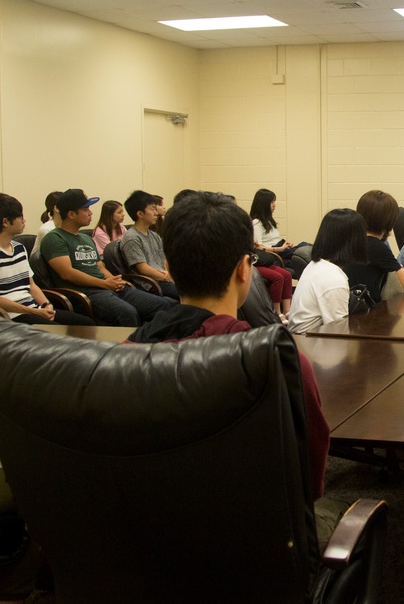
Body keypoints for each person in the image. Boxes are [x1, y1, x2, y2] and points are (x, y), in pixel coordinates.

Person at [125, 191, 337, 539]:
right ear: (244, 269)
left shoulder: (122, 353)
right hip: (257, 543)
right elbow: (310, 465)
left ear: (171, 268)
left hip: (145, 536)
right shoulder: (280, 359)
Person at [39, 189, 172, 326]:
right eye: (86, 209)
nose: (91, 213)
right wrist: (104, 284)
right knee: (127, 313)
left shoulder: (86, 238)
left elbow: (100, 266)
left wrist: (112, 280)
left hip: (106, 287)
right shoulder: (55, 238)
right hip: (87, 293)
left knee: (161, 305)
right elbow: (67, 274)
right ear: (71, 214)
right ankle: (131, 346)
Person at [0, 193, 92, 325]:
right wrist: (34, 312)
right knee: (60, 333)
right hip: (10, 317)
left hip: (32, 309)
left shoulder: (19, 248)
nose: (24, 221)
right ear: (5, 222)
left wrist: (46, 304)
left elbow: (31, 285)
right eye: (20, 217)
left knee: (86, 323)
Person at [288, 209, 367, 334]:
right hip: (313, 348)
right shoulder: (333, 279)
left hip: (305, 344)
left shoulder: (317, 265)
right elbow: (340, 337)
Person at [351, 190, 404, 297]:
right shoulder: (377, 247)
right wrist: (401, 270)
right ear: (389, 220)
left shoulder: (353, 241)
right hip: (369, 309)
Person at [121, 190, 179, 300]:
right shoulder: (132, 238)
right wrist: (167, 277)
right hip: (152, 284)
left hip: (165, 278)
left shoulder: (154, 235)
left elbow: (165, 259)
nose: (156, 213)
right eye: (152, 209)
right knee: (191, 295)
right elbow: (143, 269)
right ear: (140, 214)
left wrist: (171, 274)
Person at [249, 188, 307, 270]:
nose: (274, 205)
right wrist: (279, 249)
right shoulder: (256, 223)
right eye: (272, 202)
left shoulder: (269, 221)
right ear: (264, 204)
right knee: (304, 248)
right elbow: (258, 248)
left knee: (303, 255)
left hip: (279, 249)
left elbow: (273, 240)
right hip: (274, 253)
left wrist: (286, 245)